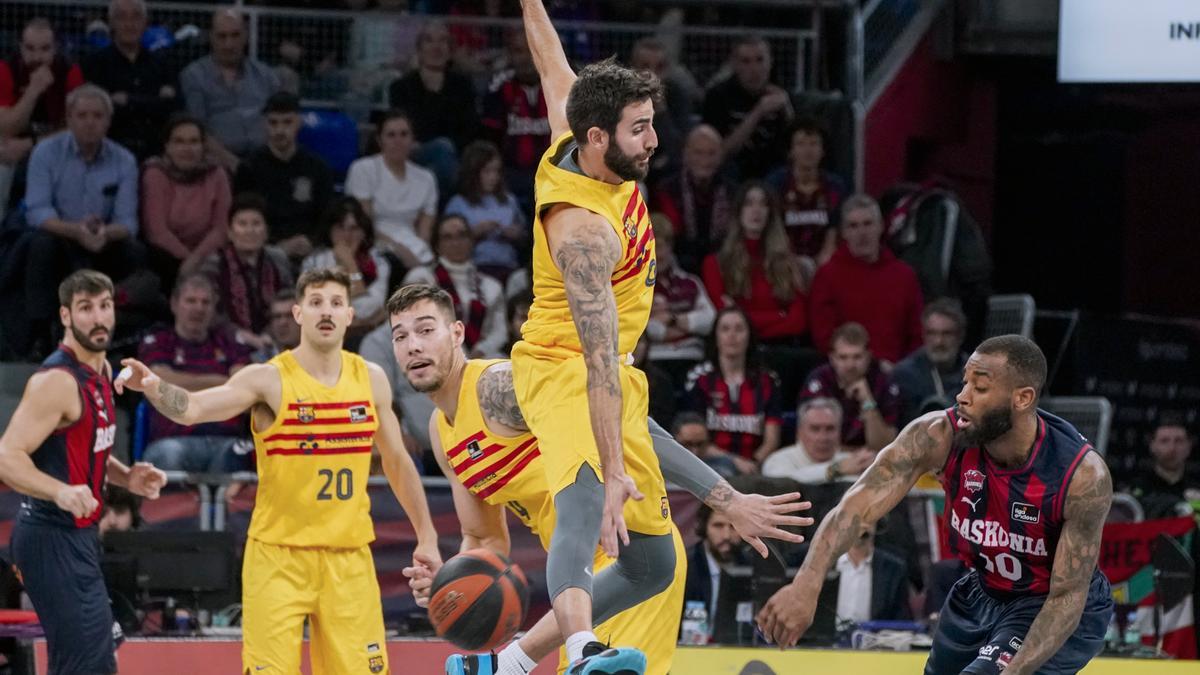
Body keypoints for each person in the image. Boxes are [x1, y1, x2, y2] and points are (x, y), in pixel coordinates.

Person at [387, 284, 809, 675]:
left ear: (457, 333)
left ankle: (510, 664)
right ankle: (510, 663)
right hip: (578, 585)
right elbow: (484, 541)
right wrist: (451, 584)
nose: (414, 346)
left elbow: (631, 424)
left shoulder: (501, 389)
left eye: (426, 330)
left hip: (629, 552)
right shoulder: (443, 436)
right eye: (400, 336)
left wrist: (727, 499)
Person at [115, 268, 440, 674]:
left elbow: (397, 461)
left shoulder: (371, 380)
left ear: (350, 316)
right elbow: (195, 408)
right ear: (299, 312)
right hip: (278, 558)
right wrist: (153, 386)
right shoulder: (267, 379)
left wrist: (426, 535)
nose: (327, 311)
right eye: (317, 302)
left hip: (348, 559)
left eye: (336, 303)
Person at [757, 335, 1116, 675]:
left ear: (1022, 399)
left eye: (981, 388)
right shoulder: (936, 436)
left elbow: (1067, 596)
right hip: (982, 590)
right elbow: (855, 508)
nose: (962, 396)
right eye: (964, 383)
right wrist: (807, 583)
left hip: (1054, 601)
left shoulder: (1081, 476)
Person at [509, 0, 676, 669]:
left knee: (653, 564)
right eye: (640, 129)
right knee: (583, 505)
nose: (653, 140)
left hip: (619, 372)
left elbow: (550, 60)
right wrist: (612, 471)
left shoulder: (575, 133)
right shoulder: (582, 233)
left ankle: (509, 663)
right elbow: (597, 365)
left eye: (653, 123)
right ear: (600, 137)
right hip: (561, 367)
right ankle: (582, 652)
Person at [0, 270, 167, 675]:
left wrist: (126, 477)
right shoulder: (56, 381)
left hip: (78, 537)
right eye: (85, 308)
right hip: (49, 536)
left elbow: (86, 448)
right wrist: (60, 492)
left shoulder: (104, 372)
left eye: (104, 306)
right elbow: (8, 456)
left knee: (92, 660)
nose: (98, 318)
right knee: (86, 665)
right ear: (65, 315)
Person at [21, 84, 142, 355]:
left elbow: (128, 221)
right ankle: (39, 333)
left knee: (134, 250)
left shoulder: (124, 160)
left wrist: (104, 234)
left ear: (108, 121)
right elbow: (37, 211)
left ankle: (123, 331)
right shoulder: (45, 153)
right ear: (69, 118)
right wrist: (76, 231)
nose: (90, 122)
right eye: (83, 115)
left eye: (97, 116)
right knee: (40, 245)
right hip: (61, 234)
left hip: (103, 239)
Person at [138, 273, 252, 473]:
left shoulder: (229, 341)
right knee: (168, 455)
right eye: (191, 301)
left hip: (227, 440)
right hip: (175, 440)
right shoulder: (159, 340)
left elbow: (244, 389)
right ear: (174, 304)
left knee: (245, 453)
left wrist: (185, 385)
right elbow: (159, 381)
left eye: (205, 302)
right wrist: (220, 381)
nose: (198, 308)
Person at [810, 194, 924, 363]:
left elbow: (917, 333)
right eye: (853, 226)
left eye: (868, 224)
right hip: (846, 373)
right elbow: (824, 337)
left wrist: (903, 371)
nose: (862, 233)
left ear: (881, 227)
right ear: (844, 233)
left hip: (898, 374)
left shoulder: (904, 275)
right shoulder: (827, 276)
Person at [701, 180, 807, 345]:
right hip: (735, 347)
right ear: (738, 212)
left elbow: (798, 321)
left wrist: (746, 318)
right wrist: (779, 315)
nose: (756, 211)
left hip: (781, 347)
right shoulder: (715, 264)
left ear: (770, 213)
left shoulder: (788, 263)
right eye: (749, 204)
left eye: (763, 204)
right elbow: (726, 319)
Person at [234, 91, 335, 262]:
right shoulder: (248, 168)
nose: (280, 130)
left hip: (311, 249)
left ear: (299, 123)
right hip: (262, 249)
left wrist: (311, 241)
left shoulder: (318, 167)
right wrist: (277, 245)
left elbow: (327, 214)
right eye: (273, 123)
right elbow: (242, 216)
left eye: (287, 122)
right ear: (264, 124)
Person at [0, 17, 86, 213]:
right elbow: (5, 127)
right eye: (30, 49)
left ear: (55, 49)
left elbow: (77, 127)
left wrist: (30, 143)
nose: (37, 56)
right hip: (10, 143)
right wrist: (33, 91)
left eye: (45, 49)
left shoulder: (70, 71)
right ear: (21, 48)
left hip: (56, 143)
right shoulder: (6, 69)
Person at [179, 7, 281, 168]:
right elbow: (199, 131)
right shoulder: (194, 76)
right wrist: (235, 165)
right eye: (222, 36)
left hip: (265, 163)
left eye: (235, 35)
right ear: (211, 37)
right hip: (216, 165)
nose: (229, 44)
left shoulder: (266, 76)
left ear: (245, 36)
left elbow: (279, 123)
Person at [387, 19, 479, 193]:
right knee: (442, 149)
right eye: (429, 40)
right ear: (419, 50)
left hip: (454, 156)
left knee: (443, 157)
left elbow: (469, 130)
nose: (436, 47)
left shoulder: (463, 85)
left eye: (443, 41)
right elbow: (399, 127)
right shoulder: (401, 87)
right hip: (414, 153)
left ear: (450, 50)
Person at [684, 306, 782, 467]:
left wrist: (754, 463)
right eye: (725, 329)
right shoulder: (699, 379)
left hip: (756, 465)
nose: (732, 335)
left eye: (739, 329)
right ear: (715, 336)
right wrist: (735, 462)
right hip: (711, 465)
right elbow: (695, 439)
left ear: (749, 336)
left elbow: (772, 440)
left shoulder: (768, 381)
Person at [83, 0, 179, 161]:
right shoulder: (94, 64)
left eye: (136, 17)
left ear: (145, 22)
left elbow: (173, 107)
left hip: (156, 152)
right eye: (122, 17)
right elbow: (100, 111)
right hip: (109, 152)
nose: (129, 24)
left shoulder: (162, 64)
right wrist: (154, 100)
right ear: (111, 22)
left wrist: (128, 100)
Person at [141, 114, 231, 285]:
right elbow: (157, 231)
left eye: (193, 142)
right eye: (179, 142)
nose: (187, 148)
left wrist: (195, 260)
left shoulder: (217, 173)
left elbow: (221, 229)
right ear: (167, 146)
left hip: (208, 253)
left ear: (203, 146)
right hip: (167, 255)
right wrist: (187, 260)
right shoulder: (155, 173)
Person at [405, 214, 508, 359]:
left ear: (471, 241)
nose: (456, 242)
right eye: (448, 237)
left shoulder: (491, 286)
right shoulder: (421, 279)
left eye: (462, 235)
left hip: (480, 357)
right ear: (437, 245)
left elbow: (499, 331)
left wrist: (481, 350)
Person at [346, 109, 439, 269]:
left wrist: (419, 257)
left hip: (413, 245)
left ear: (412, 139)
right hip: (373, 244)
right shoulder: (363, 169)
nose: (398, 141)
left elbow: (425, 233)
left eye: (404, 134)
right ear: (379, 140)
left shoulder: (426, 178)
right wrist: (399, 251)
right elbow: (364, 225)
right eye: (391, 135)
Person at [205, 193, 294, 347]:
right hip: (228, 342)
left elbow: (290, 301)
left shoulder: (278, 260)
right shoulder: (214, 265)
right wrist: (244, 336)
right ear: (230, 232)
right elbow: (211, 314)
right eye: (242, 224)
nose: (250, 230)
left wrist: (268, 335)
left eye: (256, 224)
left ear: (266, 232)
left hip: (275, 339)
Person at [701, 35, 792, 179]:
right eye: (746, 62)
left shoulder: (780, 93)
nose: (754, 69)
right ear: (735, 65)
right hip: (733, 168)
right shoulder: (718, 96)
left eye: (760, 60)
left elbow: (796, 146)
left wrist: (787, 108)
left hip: (772, 169)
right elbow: (717, 153)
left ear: (770, 62)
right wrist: (758, 112)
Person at [301, 197, 392, 339]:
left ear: (363, 232)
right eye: (340, 228)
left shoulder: (378, 263)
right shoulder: (314, 262)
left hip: (368, 335)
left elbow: (369, 308)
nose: (347, 235)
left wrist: (350, 264)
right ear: (330, 231)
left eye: (353, 228)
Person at [802, 322, 900, 452]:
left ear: (868, 356)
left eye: (857, 357)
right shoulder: (819, 380)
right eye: (843, 357)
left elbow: (884, 446)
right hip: (826, 461)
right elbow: (812, 444)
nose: (850, 365)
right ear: (832, 358)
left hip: (870, 462)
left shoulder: (884, 381)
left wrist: (868, 402)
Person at [481, 28, 550, 212]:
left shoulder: (561, 85)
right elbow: (489, 141)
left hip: (554, 174)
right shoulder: (498, 87)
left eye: (532, 51)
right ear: (510, 55)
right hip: (511, 173)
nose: (527, 58)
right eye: (519, 51)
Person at [650, 125, 732, 275]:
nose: (705, 161)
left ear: (720, 156)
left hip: (721, 266)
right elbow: (667, 236)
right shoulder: (667, 190)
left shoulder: (730, 191)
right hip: (678, 265)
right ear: (686, 155)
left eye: (711, 153)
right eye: (698, 153)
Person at [645, 213, 715, 389]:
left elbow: (710, 319)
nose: (659, 253)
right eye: (654, 246)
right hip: (654, 359)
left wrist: (672, 320)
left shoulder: (690, 283)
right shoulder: (636, 287)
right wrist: (667, 331)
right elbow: (641, 328)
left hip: (692, 356)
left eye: (663, 246)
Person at [765, 118, 847, 266]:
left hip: (824, 262)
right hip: (783, 261)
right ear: (791, 151)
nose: (808, 150)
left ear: (822, 151)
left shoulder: (835, 187)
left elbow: (833, 234)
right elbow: (773, 230)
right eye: (801, 144)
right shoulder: (775, 184)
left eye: (814, 144)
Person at [444, 139, 527, 282]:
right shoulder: (458, 203)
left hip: (509, 268)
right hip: (474, 269)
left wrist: (516, 234)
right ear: (474, 172)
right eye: (487, 171)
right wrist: (474, 234)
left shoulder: (508, 200)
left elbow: (524, 236)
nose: (493, 177)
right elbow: (446, 243)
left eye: (496, 171)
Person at [892, 298, 970, 424]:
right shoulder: (905, 375)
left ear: (960, 336)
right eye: (932, 333)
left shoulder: (975, 373)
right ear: (923, 335)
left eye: (946, 334)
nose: (938, 342)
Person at [681, 503, 752, 641]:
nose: (726, 535)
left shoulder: (750, 567)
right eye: (718, 526)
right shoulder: (686, 565)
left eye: (733, 527)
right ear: (704, 527)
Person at [762, 398, 874, 485]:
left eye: (830, 428)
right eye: (815, 429)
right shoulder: (777, 461)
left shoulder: (853, 462)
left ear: (840, 432)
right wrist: (835, 470)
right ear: (799, 433)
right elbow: (785, 483)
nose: (823, 437)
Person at [830, 522, 912, 623]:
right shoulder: (823, 564)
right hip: (825, 638)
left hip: (876, 637)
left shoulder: (894, 569)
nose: (860, 525)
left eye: (867, 519)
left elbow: (901, 620)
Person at [1128, 415, 1199, 520]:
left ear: (1189, 446)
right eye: (1164, 441)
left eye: (1179, 441)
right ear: (1152, 446)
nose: (1172, 448)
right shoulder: (1136, 490)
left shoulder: (1197, 489)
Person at [673, 412, 743, 479]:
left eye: (700, 444)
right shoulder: (664, 468)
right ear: (674, 441)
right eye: (687, 444)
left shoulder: (723, 467)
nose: (695, 452)